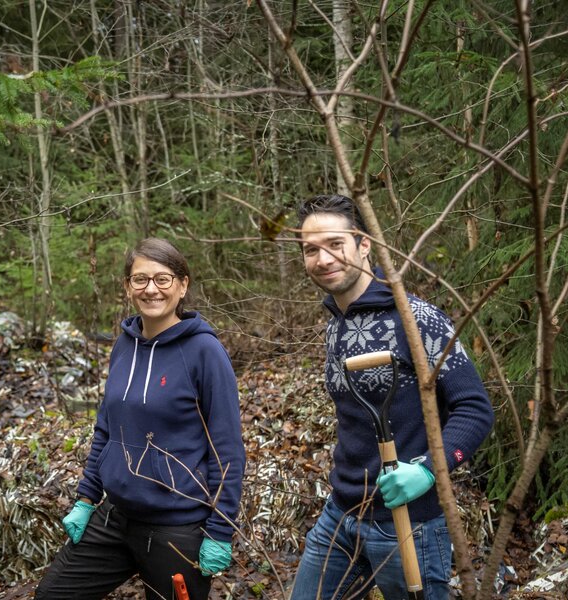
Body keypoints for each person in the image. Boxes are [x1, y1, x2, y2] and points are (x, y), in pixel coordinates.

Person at [289, 194, 495, 599]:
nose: (323, 259)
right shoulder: (335, 326)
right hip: (342, 513)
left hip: (407, 522)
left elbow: (475, 409)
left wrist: (428, 469)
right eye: (310, 250)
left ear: (364, 245)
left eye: (335, 244)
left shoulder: (417, 318)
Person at [35, 238, 246, 600]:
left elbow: (227, 448)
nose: (151, 289)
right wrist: (87, 498)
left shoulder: (205, 351)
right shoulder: (124, 344)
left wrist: (221, 530)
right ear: (127, 286)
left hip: (176, 527)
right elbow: (106, 427)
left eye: (163, 279)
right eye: (140, 279)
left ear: (183, 285)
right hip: (115, 517)